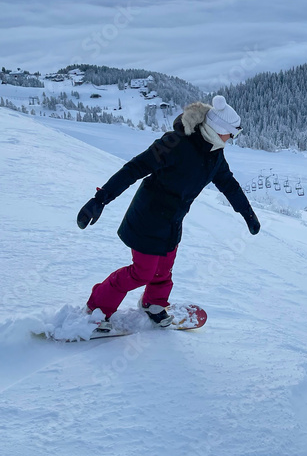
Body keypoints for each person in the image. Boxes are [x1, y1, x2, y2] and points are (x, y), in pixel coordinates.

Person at [76, 95, 260, 327]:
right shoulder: (176, 143)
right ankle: (96, 309)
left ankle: (153, 303)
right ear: (217, 128)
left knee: (164, 268)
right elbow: (135, 168)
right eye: (232, 133)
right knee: (141, 272)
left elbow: (229, 184)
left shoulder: (215, 154)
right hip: (147, 217)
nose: (232, 138)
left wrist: (247, 213)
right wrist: (100, 199)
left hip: (172, 220)